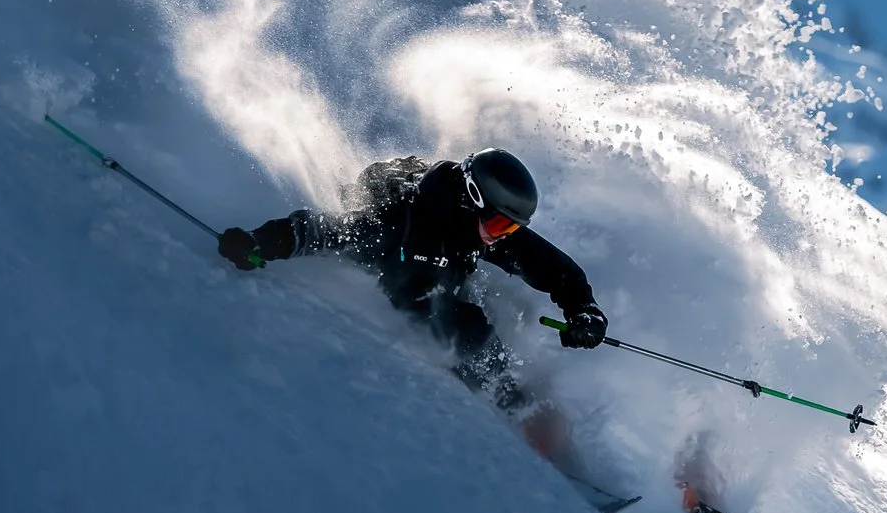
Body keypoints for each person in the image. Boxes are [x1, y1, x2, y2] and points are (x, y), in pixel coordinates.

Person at [218, 149, 608, 388]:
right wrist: (258, 243)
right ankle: (502, 405)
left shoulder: (482, 231)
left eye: (510, 229)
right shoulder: (397, 221)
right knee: (462, 327)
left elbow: (559, 271)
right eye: (499, 225)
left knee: (474, 317)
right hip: (399, 274)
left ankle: (514, 403)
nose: (501, 237)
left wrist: (584, 311)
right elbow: (318, 231)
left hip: (442, 269)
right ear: (472, 200)